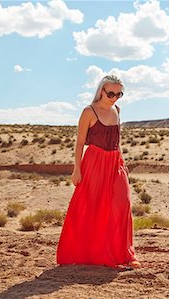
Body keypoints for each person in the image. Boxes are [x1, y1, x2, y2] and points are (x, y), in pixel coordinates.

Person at [56, 74, 141, 269]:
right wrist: (77, 170)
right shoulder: (89, 111)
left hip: (115, 162)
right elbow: (79, 143)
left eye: (119, 94)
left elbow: (117, 141)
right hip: (94, 162)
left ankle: (124, 253)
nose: (114, 97)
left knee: (122, 204)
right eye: (111, 93)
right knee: (95, 206)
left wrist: (123, 163)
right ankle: (98, 254)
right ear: (101, 91)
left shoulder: (117, 110)